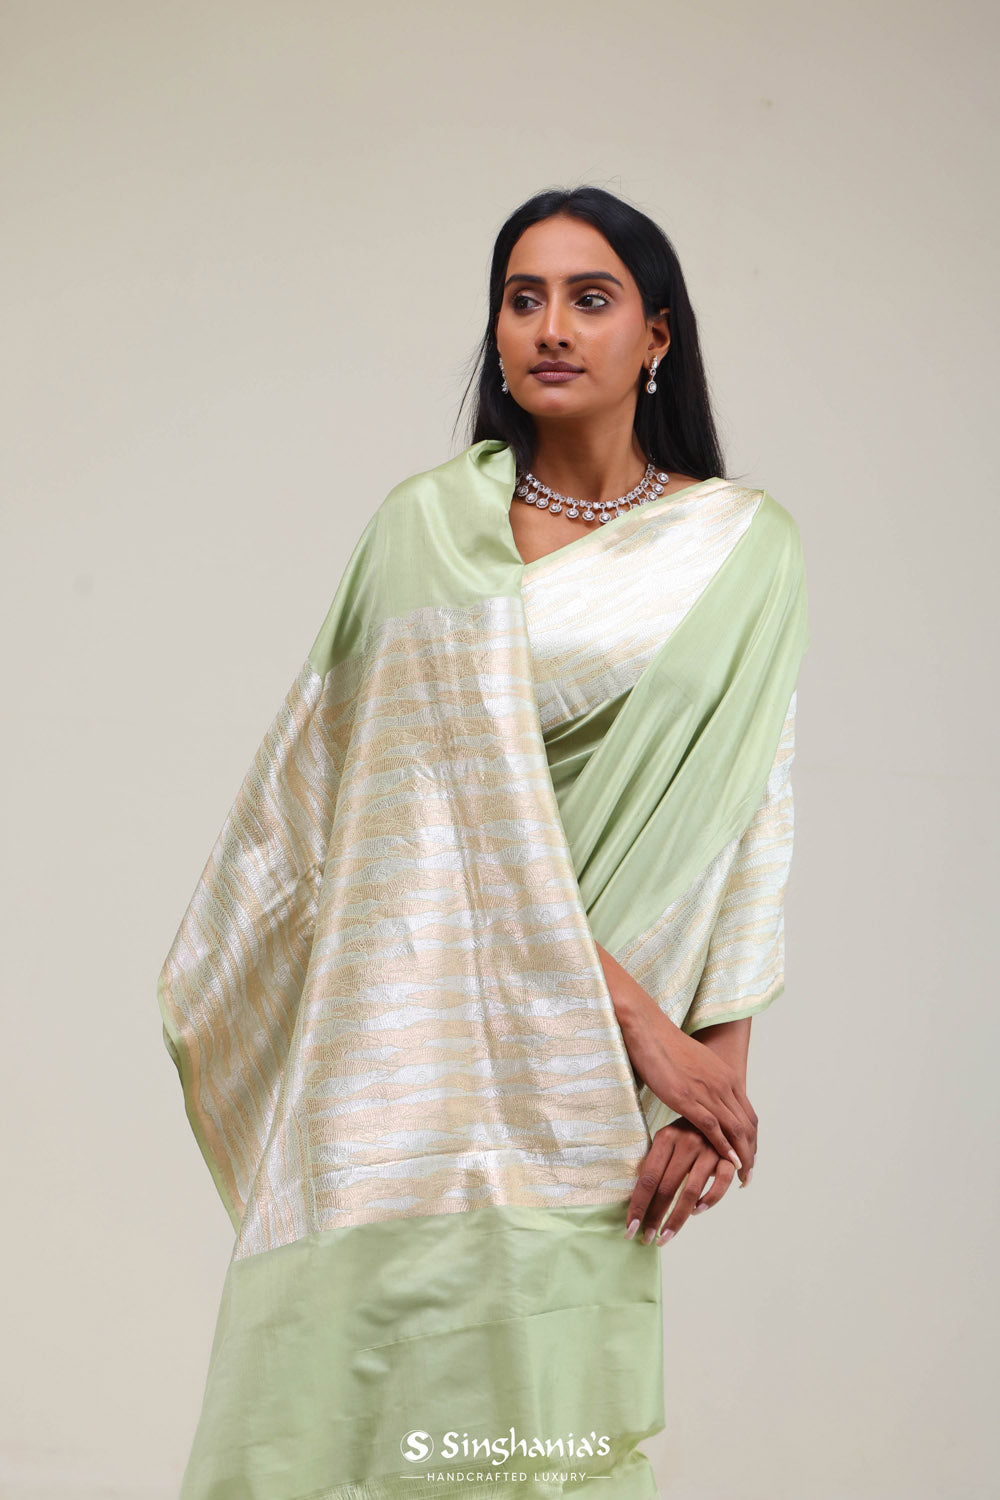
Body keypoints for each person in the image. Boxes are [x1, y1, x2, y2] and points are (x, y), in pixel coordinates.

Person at [157, 184, 809, 1499]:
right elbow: (418, 828)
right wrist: (650, 1031)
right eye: (523, 299)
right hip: (406, 1064)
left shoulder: (744, 549)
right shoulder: (424, 536)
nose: (550, 327)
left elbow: (748, 816)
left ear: (657, 335)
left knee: (535, 1443)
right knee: (347, 1432)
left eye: (589, 297)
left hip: (586, 1095)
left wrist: (715, 1084)